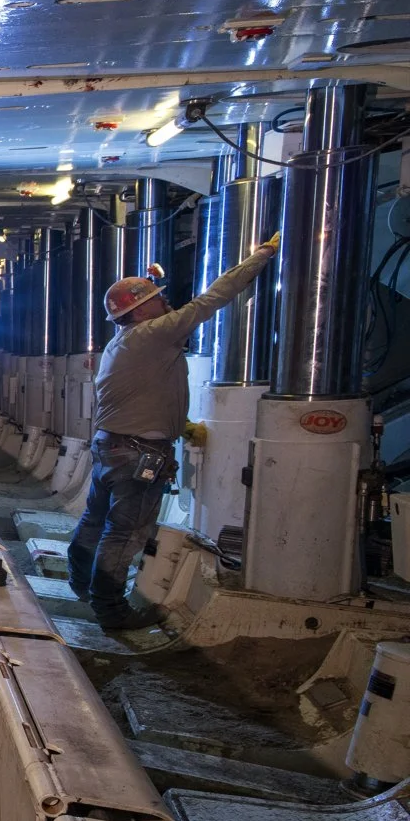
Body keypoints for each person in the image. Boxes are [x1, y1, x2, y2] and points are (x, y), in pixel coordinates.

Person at [69, 232, 281, 630]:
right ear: (141, 312)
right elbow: (211, 300)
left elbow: (138, 393)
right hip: (138, 455)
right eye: (157, 300)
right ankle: (110, 611)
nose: (166, 304)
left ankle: (81, 583)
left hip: (111, 446)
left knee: (96, 520)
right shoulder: (154, 334)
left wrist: (176, 424)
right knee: (126, 532)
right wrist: (261, 256)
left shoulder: (123, 343)